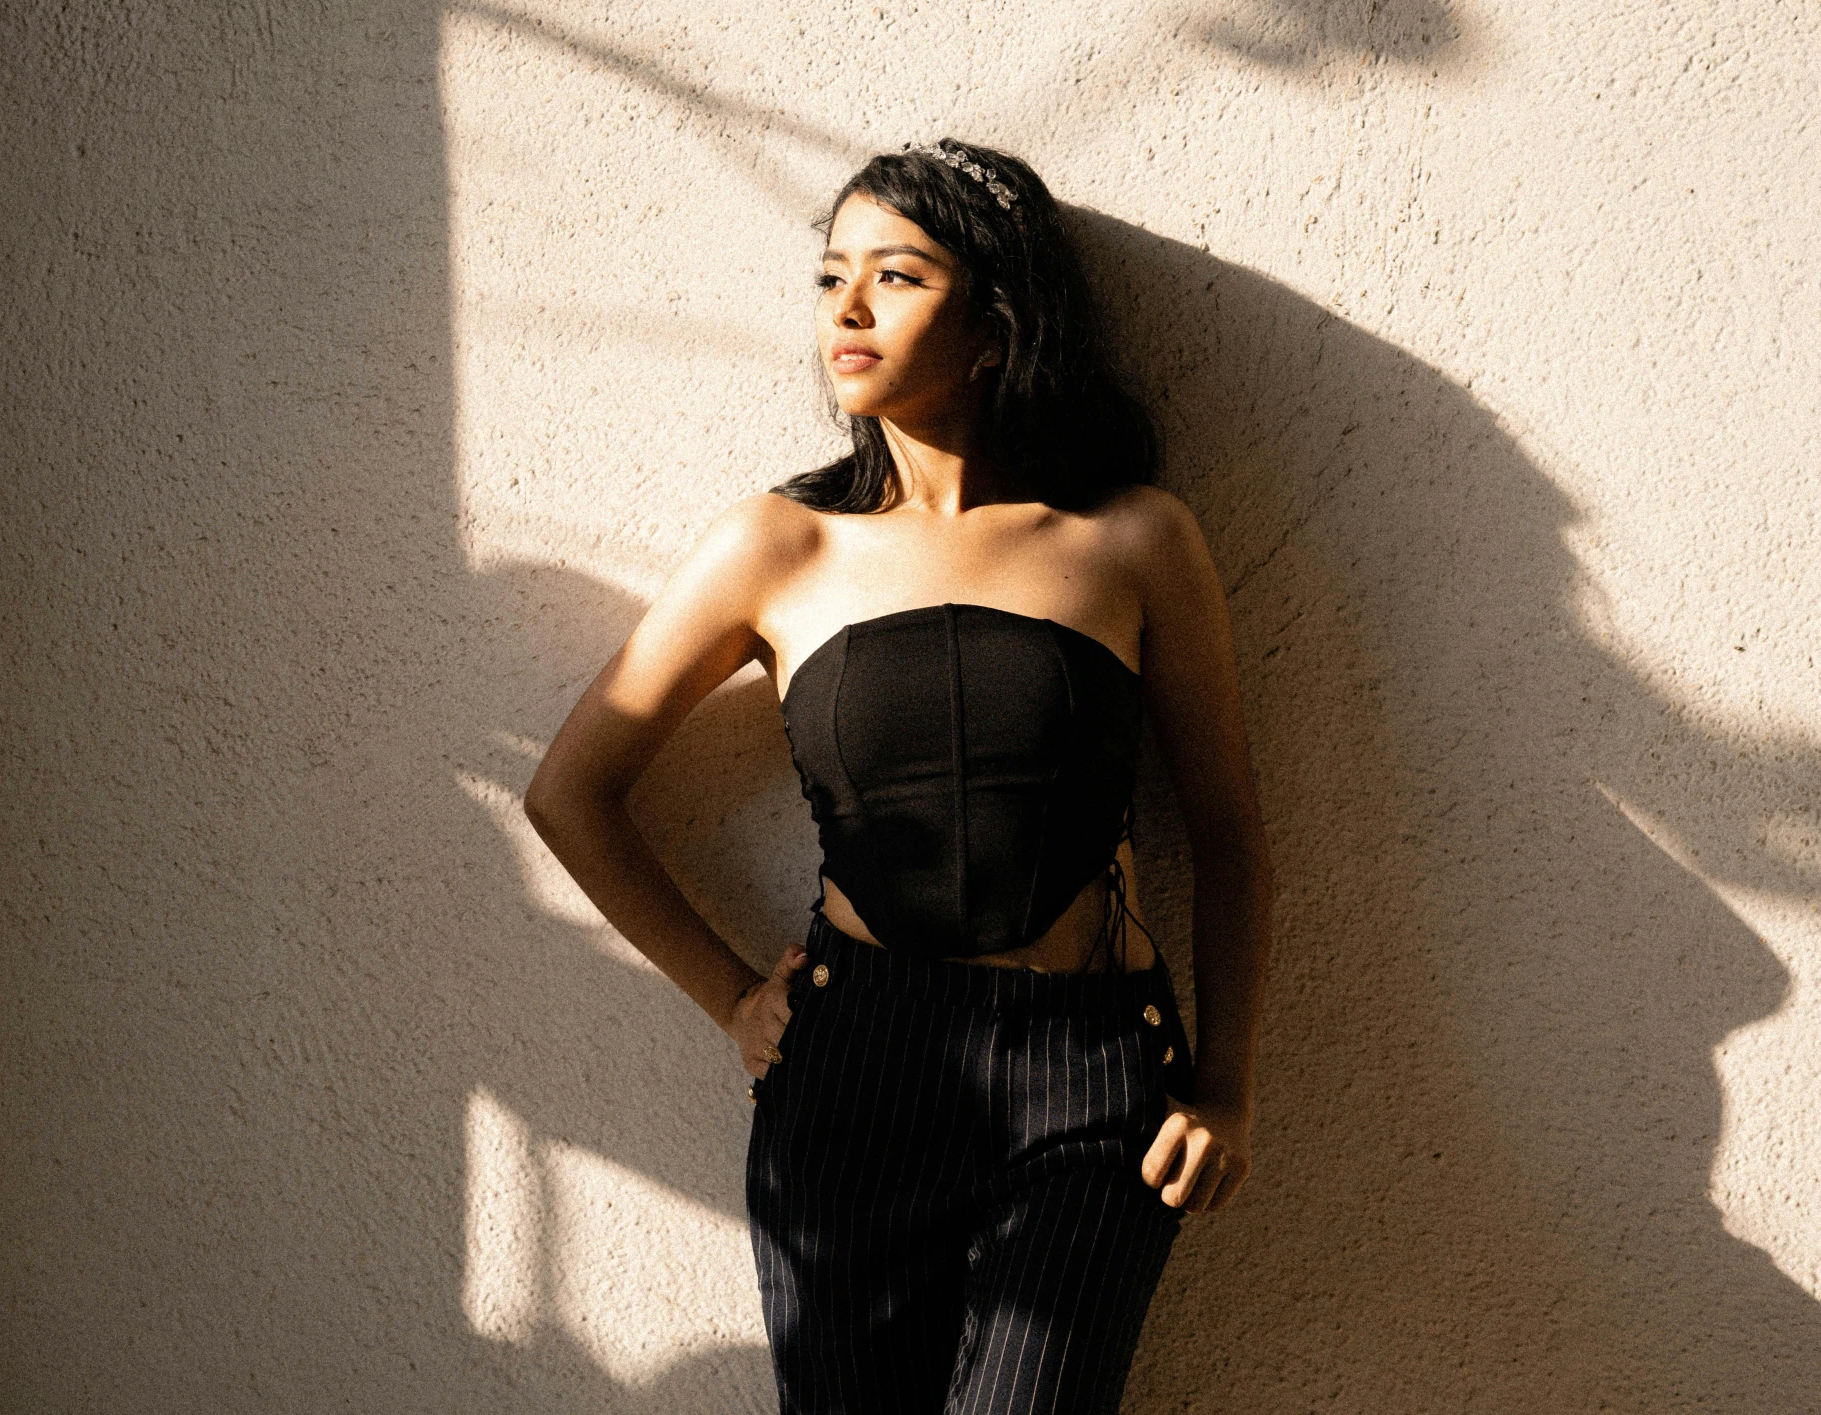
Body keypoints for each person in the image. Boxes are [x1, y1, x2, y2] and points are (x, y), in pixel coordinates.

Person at [523, 138, 1276, 1413]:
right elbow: (571, 793)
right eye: (830, 278)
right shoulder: (780, 542)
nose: (848, 310)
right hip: (853, 1067)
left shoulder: (1135, 537)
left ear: (995, 325)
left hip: (1090, 1079)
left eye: (897, 276)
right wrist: (730, 1000)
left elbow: (1229, 831)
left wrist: (1227, 1087)